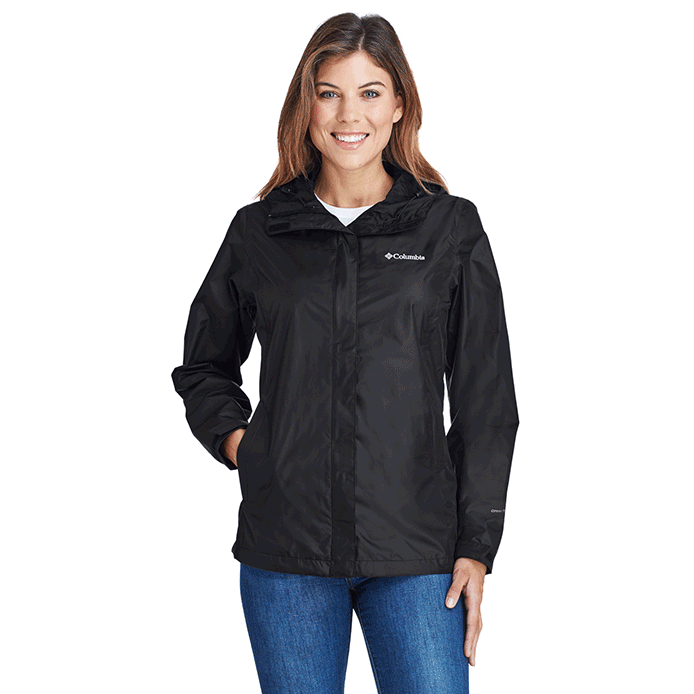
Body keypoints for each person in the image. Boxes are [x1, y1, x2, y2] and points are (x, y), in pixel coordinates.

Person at [171, 12, 519, 694]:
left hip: (417, 552)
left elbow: (486, 399)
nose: (348, 113)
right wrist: (244, 446)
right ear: (306, 108)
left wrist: (477, 547)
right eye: (328, 93)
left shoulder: (448, 228)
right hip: (286, 551)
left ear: (399, 106)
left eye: (369, 92)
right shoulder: (261, 231)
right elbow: (204, 363)